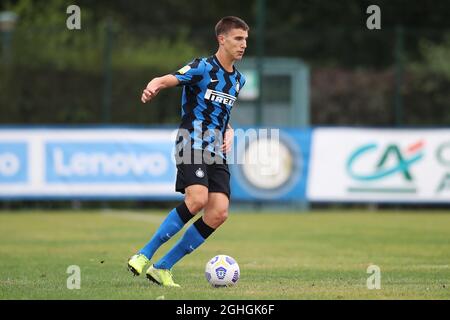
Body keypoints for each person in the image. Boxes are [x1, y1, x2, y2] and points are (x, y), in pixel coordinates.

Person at [127, 16, 249, 287]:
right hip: (191, 143)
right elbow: (171, 77)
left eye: (246, 40)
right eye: (238, 39)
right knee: (197, 199)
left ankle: (162, 267)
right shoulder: (203, 67)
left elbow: (223, 113)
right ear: (222, 39)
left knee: (219, 212)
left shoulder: (238, 80)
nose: (243, 45)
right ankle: (142, 254)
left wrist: (228, 130)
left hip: (216, 151)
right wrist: (155, 84)